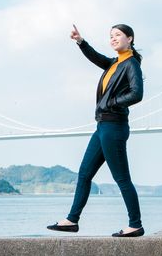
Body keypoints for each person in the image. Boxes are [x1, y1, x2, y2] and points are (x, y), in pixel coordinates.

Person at [47, 23, 144, 237]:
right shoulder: (113, 64)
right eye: (111, 36)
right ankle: (72, 220)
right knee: (84, 174)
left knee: (122, 178)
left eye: (118, 35)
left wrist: (113, 103)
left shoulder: (131, 64)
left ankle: (135, 224)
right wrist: (81, 41)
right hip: (102, 127)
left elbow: (137, 94)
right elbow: (96, 57)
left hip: (115, 127)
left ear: (130, 38)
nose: (113, 38)